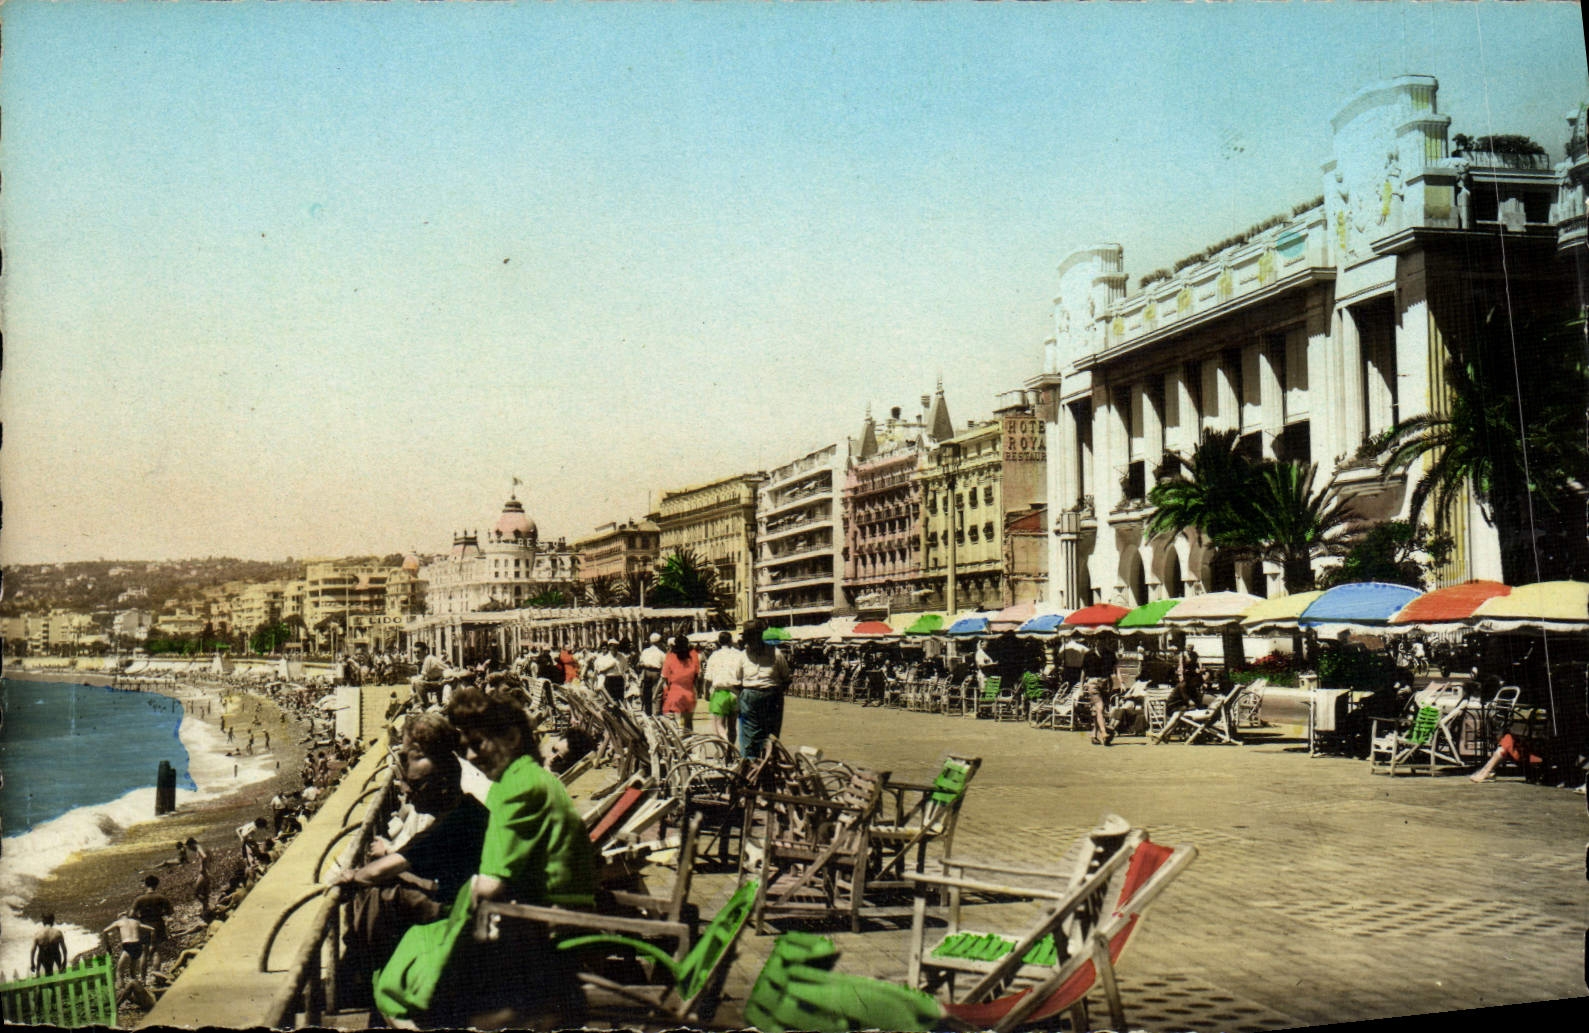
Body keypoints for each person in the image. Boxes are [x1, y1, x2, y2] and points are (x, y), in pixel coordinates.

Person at [373, 687, 595, 1030]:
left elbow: (489, 886)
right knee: (422, 944)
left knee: (418, 968)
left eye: (479, 744)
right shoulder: (527, 778)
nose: (473, 757)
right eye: (468, 747)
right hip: (544, 911)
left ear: (511, 736)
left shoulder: (519, 788)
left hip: (544, 923)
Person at [341, 713, 491, 993]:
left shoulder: (453, 820)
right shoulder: (463, 808)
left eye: (416, 785)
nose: (408, 795)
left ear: (443, 782)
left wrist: (350, 877)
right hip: (468, 902)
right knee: (386, 891)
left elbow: (378, 870)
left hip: (465, 915)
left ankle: (357, 976)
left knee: (382, 893)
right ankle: (358, 970)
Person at [735, 620, 791, 761]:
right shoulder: (742, 656)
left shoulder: (776, 654)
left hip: (770, 695)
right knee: (750, 735)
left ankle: (768, 762)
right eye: (750, 638)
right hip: (754, 696)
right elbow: (786, 678)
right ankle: (751, 764)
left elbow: (786, 678)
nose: (752, 642)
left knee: (770, 734)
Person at [130, 875, 174, 982]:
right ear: (156, 885)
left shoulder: (139, 899)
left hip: (144, 925)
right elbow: (170, 912)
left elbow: (131, 914)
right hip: (158, 924)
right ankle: (156, 977)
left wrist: (139, 919)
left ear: (146, 884)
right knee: (157, 951)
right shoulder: (161, 897)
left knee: (144, 952)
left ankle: (143, 979)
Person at [703, 630, 743, 743]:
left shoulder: (714, 656)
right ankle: (730, 752)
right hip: (735, 693)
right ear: (731, 641)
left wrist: (706, 692)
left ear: (719, 642)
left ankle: (726, 745)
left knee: (719, 725)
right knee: (732, 726)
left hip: (720, 693)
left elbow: (708, 678)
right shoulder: (739, 655)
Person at [659, 635, 701, 730]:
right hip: (690, 692)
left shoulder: (670, 657)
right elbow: (697, 675)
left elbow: (664, 676)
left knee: (679, 724)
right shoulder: (693, 656)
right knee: (689, 724)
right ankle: (690, 742)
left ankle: (682, 742)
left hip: (675, 692)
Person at [104, 912, 155, 988]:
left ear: (119, 917)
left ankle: (122, 990)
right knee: (132, 970)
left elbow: (105, 931)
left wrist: (108, 946)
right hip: (138, 945)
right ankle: (138, 988)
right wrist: (152, 943)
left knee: (119, 971)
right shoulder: (135, 921)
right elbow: (152, 929)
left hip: (128, 945)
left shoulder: (118, 922)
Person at [1081, 638, 1116, 745]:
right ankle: (1104, 732)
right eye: (1099, 641)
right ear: (1095, 642)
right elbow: (1084, 671)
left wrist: (1114, 683)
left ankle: (1093, 735)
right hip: (1093, 683)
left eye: (1103, 641)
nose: (1101, 643)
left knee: (1098, 710)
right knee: (1099, 707)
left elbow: (1113, 670)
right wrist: (1081, 686)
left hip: (1105, 683)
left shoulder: (1109, 654)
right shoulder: (1089, 654)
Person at [637, 633, 667, 716]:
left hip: (646, 672)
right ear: (658, 642)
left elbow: (641, 662)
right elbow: (664, 665)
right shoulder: (661, 653)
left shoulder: (645, 651)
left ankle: (648, 712)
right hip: (656, 672)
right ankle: (656, 713)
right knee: (657, 693)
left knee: (647, 692)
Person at [592, 639, 626, 706]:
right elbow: (600, 671)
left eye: (616, 647)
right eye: (612, 647)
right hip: (609, 679)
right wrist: (608, 667)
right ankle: (613, 714)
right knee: (610, 699)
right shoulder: (604, 658)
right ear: (610, 647)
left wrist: (627, 681)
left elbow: (626, 670)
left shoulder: (622, 657)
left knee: (620, 698)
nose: (614, 648)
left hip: (619, 679)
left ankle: (620, 714)